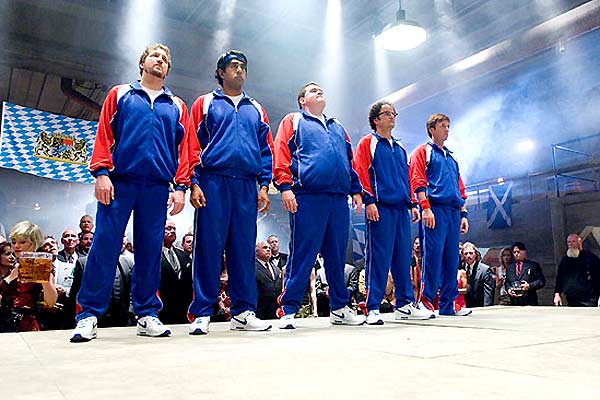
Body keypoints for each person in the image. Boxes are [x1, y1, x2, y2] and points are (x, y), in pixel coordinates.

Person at [70, 43, 191, 342]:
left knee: (151, 250)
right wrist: (101, 173)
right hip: (120, 181)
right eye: (155, 56)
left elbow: (184, 149)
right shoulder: (120, 94)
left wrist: (180, 187)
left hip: (157, 186)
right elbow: (103, 135)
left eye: (165, 59)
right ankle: (88, 315)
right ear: (142, 63)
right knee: (104, 246)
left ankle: (147, 312)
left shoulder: (176, 105)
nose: (160, 61)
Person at [186, 50, 273, 335]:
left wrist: (263, 186)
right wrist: (194, 182)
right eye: (233, 66)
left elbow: (265, 150)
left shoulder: (256, 108)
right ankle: (201, 312)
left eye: (243, 67)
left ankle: (244, 311)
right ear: (221, 72)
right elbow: (193, 145)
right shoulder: (205, 103)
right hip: (213, 181)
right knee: (208, 248)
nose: (239, 71)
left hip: (247, 185)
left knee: (243, 249)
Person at [273, 82, 365, 329]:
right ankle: (288, 309)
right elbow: (281, 152)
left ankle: (339, 307)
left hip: (337, 198)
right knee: (303, 254)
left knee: (336, 257)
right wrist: (285, 187)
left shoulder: (338, 127)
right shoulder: (293, 120)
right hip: (308, 196)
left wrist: (356, 190)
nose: (319, 91)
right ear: (303, 100)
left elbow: (349, 160)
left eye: (320, 89)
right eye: (313, 90)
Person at [353, 100, 432, 325]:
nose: (392, 117)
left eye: (393, 113)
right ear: (376, 120)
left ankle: (405, 304)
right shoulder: (368, 143)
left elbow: (406, 178)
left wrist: (412, 204)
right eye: (387, 114)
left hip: (401, 209)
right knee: (379, 258)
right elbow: (361, 173)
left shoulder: (400, 148)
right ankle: (372, 307)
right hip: (381, 208)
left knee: (403, 258)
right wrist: (369, 201)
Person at [409, 113, 471, 316]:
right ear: (431, 129)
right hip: (434, 210)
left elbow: (460, 188)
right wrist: (425, 207)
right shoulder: (423, 152)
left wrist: (464, 214)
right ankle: (425, 303)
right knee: (432, 258)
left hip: (453, 212)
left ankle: (448, 305)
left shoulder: (452, 159)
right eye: (442, 125)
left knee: (452, 259)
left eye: (448, 126)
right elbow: (417, 180)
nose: (446, 129)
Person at [0, 222, 57, 332]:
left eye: (22, 242)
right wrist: (10, 278)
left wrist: (43, 277)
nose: (16, 246)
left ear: (34, 243)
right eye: (13, 242)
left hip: (30, 324)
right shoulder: (8, 265)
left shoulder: (44, 266)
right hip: (5, 322)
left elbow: (50, 302)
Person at [158, 220, 193, 324]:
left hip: (184, 313)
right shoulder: (152, 258)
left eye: (174, 229)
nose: (172, 231)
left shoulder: (184, 256)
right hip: (162, 313)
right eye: (168, 228)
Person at [554, 234, 600, 307]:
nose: (571, 244)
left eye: (573, 241)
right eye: (569, 242)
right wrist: (557, 294)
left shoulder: (591, 259)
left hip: (589, 300)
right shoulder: (565, 260)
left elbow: (598, 278)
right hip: (571, 300)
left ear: (579, 242)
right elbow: (560, 278)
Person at [462, 242, 495, 307]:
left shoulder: (485, 270)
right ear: (463, 255)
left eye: (471, 253)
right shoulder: (460, 268)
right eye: (466, 253)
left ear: (476, 254)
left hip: (479, 307)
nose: (468, 256)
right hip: (463, 307)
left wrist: (487, 309)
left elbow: (488, 293)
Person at [255, 241, 282, 320]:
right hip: (260, 311)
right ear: (256, 252)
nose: (268, 250)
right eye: (265, 248)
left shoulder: (276, 268)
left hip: (276, 311)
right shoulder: (251, 268)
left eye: (269, 248)